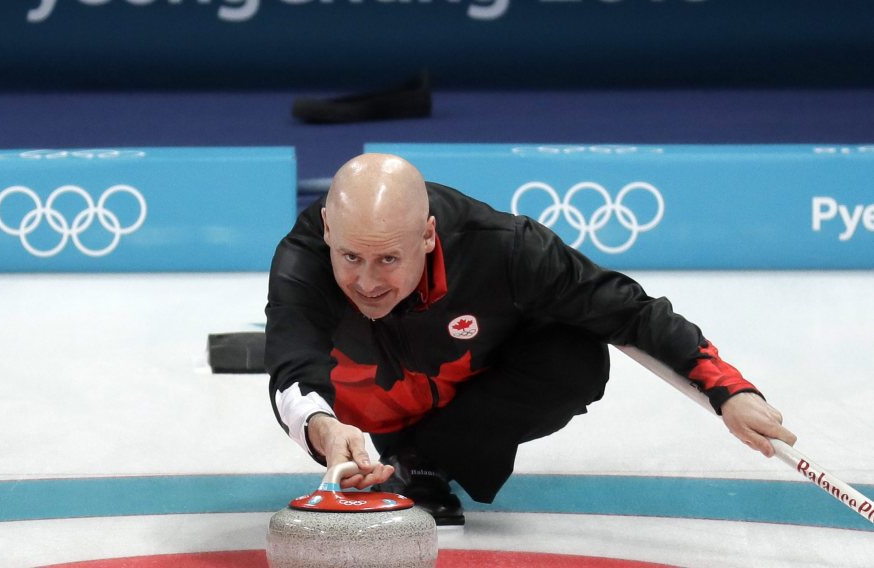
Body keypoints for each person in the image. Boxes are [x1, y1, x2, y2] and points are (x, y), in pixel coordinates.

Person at [265, 153, 797, 526]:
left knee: (575, 357)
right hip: (360, 408)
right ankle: (384, 445)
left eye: (388, 259)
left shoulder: (504, 248)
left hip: (458, 390)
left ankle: (425, 458)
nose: (367, 282)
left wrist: (729, 391)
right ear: (329, 229)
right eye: (350, 257)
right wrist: (324, 430)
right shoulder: (302, 260)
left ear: (427, 235)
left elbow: (630, 311)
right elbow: (292, 371)